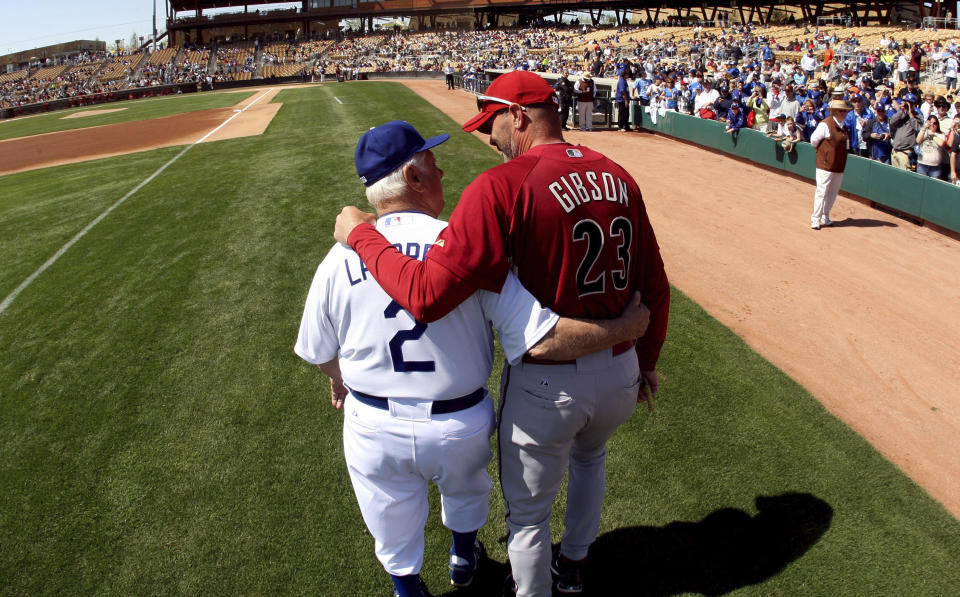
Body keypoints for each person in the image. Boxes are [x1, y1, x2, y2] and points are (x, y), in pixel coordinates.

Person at [332, 71, 670, 597]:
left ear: (518, 116)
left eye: (492, 123)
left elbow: (424, 295)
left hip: (548, 379)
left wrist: (361, 234)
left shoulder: (501, 184)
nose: (488, 137)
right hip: (621, 369)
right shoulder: (619, 175)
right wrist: (645, 358)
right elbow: (655, 283)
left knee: (529, 517)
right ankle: (575, 565)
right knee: (592, 459)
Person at [810, 97, 853, 229]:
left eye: (844, 111)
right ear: (833, 112)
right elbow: (814, 140)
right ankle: (815, 219)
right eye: (840, 111)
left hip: (839, 165)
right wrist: (825, 154)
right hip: (825, 164)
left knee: (833, 193)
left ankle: (825, 215)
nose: (843, 114)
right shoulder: (825, 124)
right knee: (822, 192)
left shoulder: (844, 126)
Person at [889, 94, 922, 170]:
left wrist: (911, 114)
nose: (908, 105)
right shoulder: (901, 114)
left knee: (904, 178)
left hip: (905, 153)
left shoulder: (918, 116)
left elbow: (918, 128)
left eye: (910, 103)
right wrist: (901, 111)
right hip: (895, 150)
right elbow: (891, 122)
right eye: (906, 102)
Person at [916, 115, 948, 179]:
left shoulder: (941, 134)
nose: (933, 125)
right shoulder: (924, 131)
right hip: (922, 164)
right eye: (931, 123)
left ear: (937, 125)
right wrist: (924, 128)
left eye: (935, 123)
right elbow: (918, 141)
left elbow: (941, 143)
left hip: (935, 166)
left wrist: (933, 135)